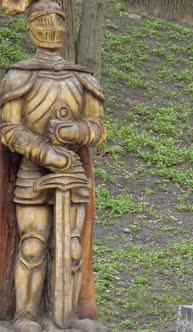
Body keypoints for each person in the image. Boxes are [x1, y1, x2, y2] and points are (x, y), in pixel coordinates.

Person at [0, 0, 106, 330]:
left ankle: (68, 314)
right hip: (33, 172)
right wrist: (45, 152)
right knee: (32, 245)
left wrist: (77, 131)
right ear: (30, 26)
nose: (52, 27)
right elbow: (9, 128)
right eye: (43, 20)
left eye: (58, 20)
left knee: (72, 249)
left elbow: (98, 127)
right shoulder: (19, 76)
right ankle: (26, 314)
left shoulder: (81, 78)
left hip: (72, 173)